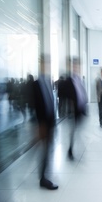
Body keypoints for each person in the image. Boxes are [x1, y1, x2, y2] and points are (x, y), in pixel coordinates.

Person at [34, 54, 58, 189]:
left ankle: (43, 175)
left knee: (47, 149)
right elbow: (35, 106)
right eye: (45, 63)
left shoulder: (48, 81)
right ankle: (43, 178)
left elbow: (50, 101)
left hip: (50, 122)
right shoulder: (36, 84)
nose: (47, 65)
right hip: (42, 124)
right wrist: (39, 125)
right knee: (45, 150)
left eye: (49, 63)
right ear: (41, 64)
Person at [65, 57, 87, 159]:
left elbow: (82, 93)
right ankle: (70, 150)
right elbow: (67, 95)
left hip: (80, 109)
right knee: (73, 130)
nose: (76, 68)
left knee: (77, 129)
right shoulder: (69, 81)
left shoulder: (79, 79)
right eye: (74, 66)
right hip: (73, 110)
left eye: (77, 66)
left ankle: (73, 148)